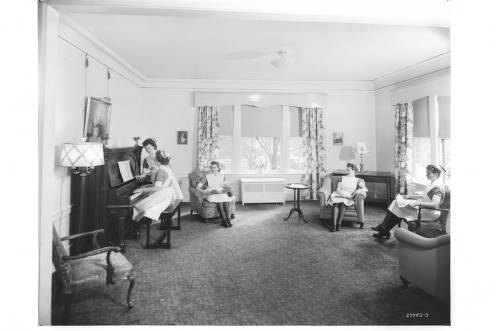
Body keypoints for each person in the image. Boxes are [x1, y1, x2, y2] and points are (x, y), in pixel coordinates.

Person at [371, 164, 445, 239]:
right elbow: (424, 197)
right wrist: (410, 197)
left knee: (397, 207)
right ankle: (384, 229)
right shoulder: (432, 184)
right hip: (423, 208)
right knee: (396, 202)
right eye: (426, 173)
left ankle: (383, 229)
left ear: (436, 174)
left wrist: (418, 203)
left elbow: (435, 204)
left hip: (428, 212)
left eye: (428, 173)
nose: (426, 175)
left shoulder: (437, 187)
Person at [132, 150, 178, 223]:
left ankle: (135, 225)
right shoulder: (166, 168)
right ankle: (137, 225)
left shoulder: (161, 170)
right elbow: (161, 185)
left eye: (155, 157)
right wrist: (146, 186)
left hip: (162, 195)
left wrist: (142, 190)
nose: (154, 158)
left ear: (157, 160)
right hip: (168, 193)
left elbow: (157, 188)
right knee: (142, 199)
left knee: (138, 206)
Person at [327, 163, 367, 231]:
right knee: (336, 204)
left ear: (354, 171)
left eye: (349, 170)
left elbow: (365, 189)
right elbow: (338, 189)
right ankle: (334, 225)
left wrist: (356, 192)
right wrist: (342, 195)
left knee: (343, 204)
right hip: (339, 194)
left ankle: (339, 224)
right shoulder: (342, 178)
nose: (347, 171)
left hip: (348, 196)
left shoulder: (357, 180)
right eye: (347, 170)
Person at [197, 161, 235, 228]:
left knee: (225, 199)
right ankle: (223, 220)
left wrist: (228, 188)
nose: (213, 169)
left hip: (220, 192)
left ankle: (228, 219)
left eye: (214, 167)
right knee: (219, 200)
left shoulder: (222, 175)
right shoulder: (207, 176)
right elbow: (198, 187)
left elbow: (224, 185)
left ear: (218, 168)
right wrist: (205, 192)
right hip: (212, 193)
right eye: (211, 167)